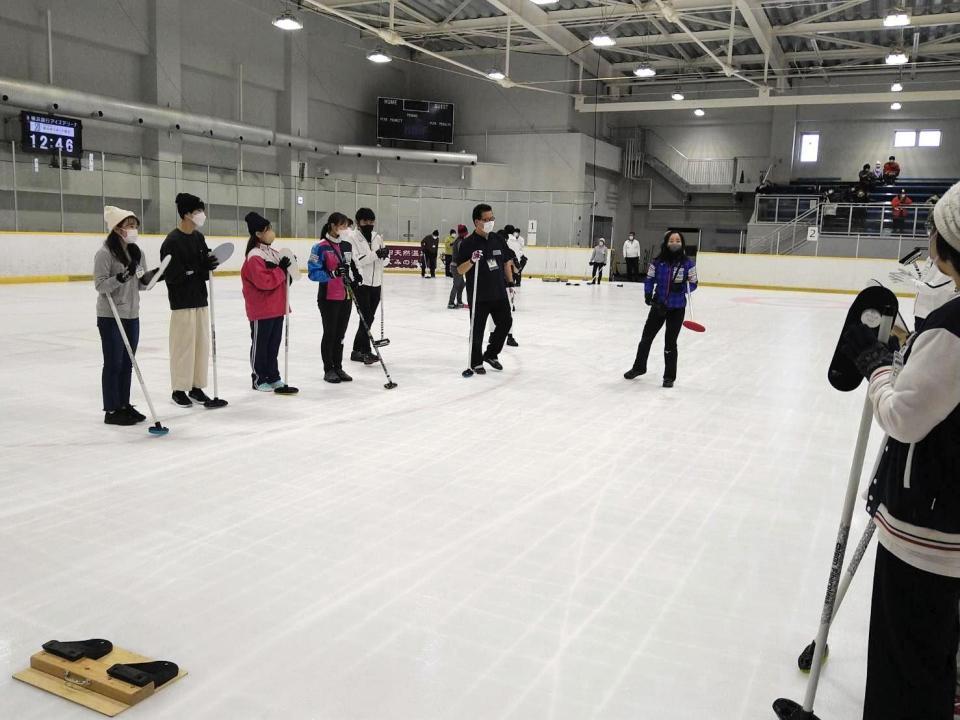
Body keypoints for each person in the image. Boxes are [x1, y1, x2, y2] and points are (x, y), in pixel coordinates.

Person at [838, 178, 960, 720]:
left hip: (931, 532)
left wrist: (880, 370)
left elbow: (904, 417)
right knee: (937, 657)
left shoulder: (954, 329)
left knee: (906, 664)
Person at [161, 193, 223, 408]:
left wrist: (209, 265)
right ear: (186, 214)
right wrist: (198, 269)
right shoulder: (172, 242)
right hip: (182, 303)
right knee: (183, 347)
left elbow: (202, 268)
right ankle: (179, 389)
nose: (201, 215)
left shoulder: (198, 237)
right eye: (197, 211)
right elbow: (173, 275)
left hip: (200, 299)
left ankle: (197, 386)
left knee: (201, 345)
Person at [94, 206, 149, 426]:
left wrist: (152, 277)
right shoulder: (104, 253)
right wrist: (122, 276)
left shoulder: (137, 252)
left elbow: (142, 283)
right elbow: (100, 285)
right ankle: (111, 409)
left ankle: (124, 404)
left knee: (128, 362)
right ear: (117, 228)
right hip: (111, 316)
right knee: (113, 362)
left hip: (132, 314)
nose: (133, 229)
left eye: (135, 225)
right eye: (129, 225)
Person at [624, 230, 698, 388]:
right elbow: (649, 278)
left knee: (670, 343)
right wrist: (648, 294)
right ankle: (639, 367)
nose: (675, 243)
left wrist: (683, 289)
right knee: (646, 339)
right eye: (671, 240)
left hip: (677, 308)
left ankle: (669, 377)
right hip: (659, 305)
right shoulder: (657, 262)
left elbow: (693, 282)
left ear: (682, 243)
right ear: (666, 243)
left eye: (678, 240)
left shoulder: (688, 263)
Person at [455, 204, 513, 374]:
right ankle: (475, 361)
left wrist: (510, 284)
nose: (490, 222)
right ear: (476, 222)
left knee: (506, 322)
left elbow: (506, 261)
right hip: (479, 296)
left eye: (492, 219)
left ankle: (491, 354)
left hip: (499, 292)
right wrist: (472, 261)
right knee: (477, 331)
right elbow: (459, 270)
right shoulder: (468, 244)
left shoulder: (498, 239)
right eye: (486, 220)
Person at [240, 212, 292, 391]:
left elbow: (284, 279)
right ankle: (259, 377)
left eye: (270, 228)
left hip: (277, 307)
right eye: (267, 229)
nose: (271, 232)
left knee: (273, 345)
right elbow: (264, 282)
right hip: (262, 309)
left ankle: (273, 375)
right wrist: (280, 271)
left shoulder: (274, 253)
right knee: (261, 345)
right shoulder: (254, 256)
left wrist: (289, 271)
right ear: (258, 234)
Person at [308, 212, 358, 384]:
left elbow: (350, 267)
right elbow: (313, 273)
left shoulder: (346, 246)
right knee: (330, 333)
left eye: (347, 226)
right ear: (333, 226)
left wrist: (354, 278)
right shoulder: (320, 247)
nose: (346, 229)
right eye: (342, 225)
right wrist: (333, 273)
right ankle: (328, 368)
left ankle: (338, 366)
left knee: (341, 334)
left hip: (346, 296)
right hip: (329, 298)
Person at [349, 207, 389, 364]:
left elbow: (384, 262)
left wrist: (385, 255)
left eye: (372, 221)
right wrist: (375, 255)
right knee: (366, 316)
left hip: (376, 283)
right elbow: (357, 260)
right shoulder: (352, 238)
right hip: (361, 283)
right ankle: (365, 351)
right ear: (359, 222)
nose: (369, 224)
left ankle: (356, 350)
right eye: (366, 221)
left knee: (368, 317)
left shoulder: (377, 237)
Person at [448, 224, 468, 309]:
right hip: (456, 266)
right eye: (466, 233)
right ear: (463, 233)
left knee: (462, 284)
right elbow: (461, 254)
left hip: (457, 266)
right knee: (456, 285)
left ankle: (459, 302)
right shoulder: (460, 241)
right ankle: (451, 303)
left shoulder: (460, 240)